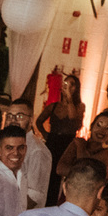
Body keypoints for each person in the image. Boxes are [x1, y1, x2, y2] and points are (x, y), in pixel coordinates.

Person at [36, 73, 85, 205]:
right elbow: (39, 121)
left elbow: (73, 119)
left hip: (68, 143)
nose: (68, 86)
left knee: (61, 174)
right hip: (52, 141)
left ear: (77, 88)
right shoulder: (53, 106)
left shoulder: (80, 107)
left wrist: (69, 98)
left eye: (72, 84)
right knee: (48, 174)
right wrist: (45, 134)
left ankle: (57, 203)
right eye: (66, 83)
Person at [6, 98, 51, 210]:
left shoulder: (37, 151)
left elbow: (34, 196)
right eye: (10, 116)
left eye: (20, 116)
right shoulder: (6, 144)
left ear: (31, 120)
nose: (13, 120)